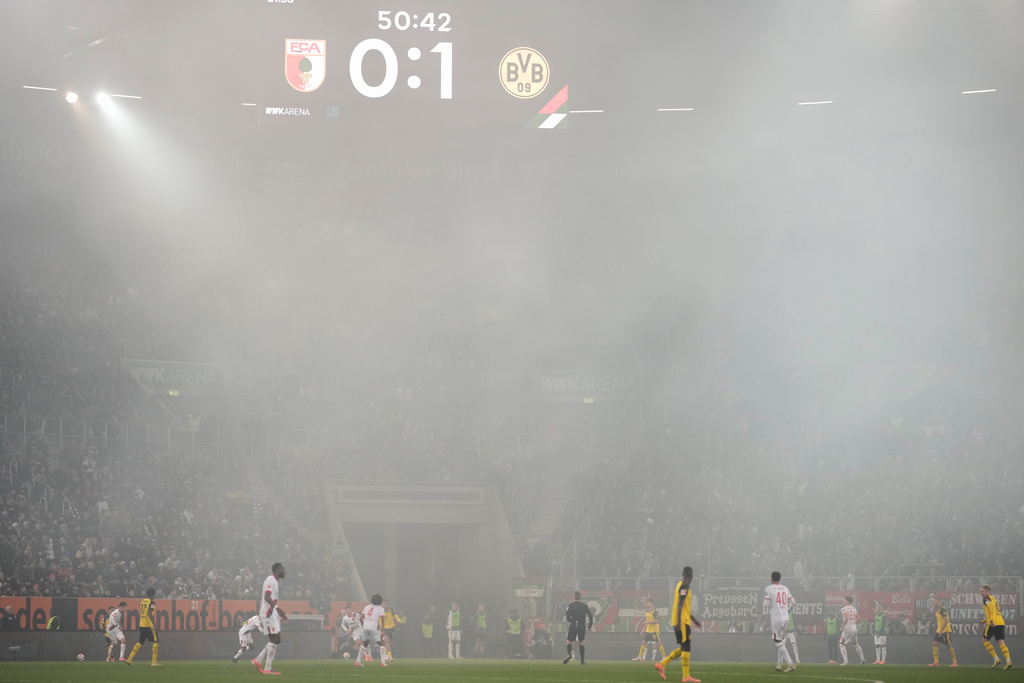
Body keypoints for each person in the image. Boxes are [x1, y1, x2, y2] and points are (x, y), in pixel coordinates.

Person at [655, 566, 702, 683]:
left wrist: (694, 619)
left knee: (684, 647)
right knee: (686, 646)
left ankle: (662, 664)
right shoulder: (684, 586)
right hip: (682, 622)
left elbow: (684, 606)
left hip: (681, 620)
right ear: (690, 576)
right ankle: (685, 676)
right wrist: (680, 623)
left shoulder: (680, 585)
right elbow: (680, 605)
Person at [252, 562, 288, 675]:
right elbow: (267, 596)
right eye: (283, 569)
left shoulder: (275, 582)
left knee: (277, 639)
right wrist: (277, 608)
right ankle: (267, 668)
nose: (284, 571)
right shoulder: (270, 580)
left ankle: (258, 660)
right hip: (267, 614)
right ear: (277, 570)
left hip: (272, 614)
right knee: (274, 640)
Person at [764, 571, 796, 672]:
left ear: (771, 578)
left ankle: (790, 664)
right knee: (781, 641)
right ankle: (779, 664)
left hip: (776, 618)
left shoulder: (769, 588)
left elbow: (765, 604)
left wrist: (771, 607)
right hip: (785, 618)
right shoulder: (785, 588)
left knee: (777, 641)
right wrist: (787, 609)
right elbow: (793, 602)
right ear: (780, 579)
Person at [979, 584, 1012, 669]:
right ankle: (1008, 661)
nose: (981, 593)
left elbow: (991, 608)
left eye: (982, 591)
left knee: (984, 641)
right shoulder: (994, 599)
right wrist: (984, 620)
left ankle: (996, 659)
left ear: (987, 591)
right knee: (1001, 643)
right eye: (980, 591)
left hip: (992, 623)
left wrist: (991, 621)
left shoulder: (986, 599)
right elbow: (994, 612)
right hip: (1000, 622)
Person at [127, 587, 160, 666]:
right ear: (153, 595)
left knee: (140, 642)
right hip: (148, 624)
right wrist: (154, 624)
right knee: (156, 640)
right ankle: (154, 662)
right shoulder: (152, 602)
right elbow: (149, 614)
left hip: (142, 624)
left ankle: (129, 659)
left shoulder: (143, 601)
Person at [356, 594, 387, 667]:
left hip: (366, 627)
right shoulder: (380, 608)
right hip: (373, 627)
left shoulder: (367, 607)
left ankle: (357, 662)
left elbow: (361, 618)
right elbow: (382, 619)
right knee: (382, 644)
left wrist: (364, 626)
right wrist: (383, 630)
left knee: (364, 644)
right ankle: (383, 662)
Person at [563, 590, 593, 665]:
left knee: (569, 641)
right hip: (581, 625)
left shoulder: (571, 605)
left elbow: (567, 616)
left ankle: (569, 654)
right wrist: (589, 626)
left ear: (574, 597)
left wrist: (571, 621)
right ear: (580, 597)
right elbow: (590, 616)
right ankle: (582, 661)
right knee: (581, 642)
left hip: (573, 625)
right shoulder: (584, 606)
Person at [928, 596, 957, 667]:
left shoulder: (942, 609)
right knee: (934, 643)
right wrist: (939, 629)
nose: (933, 603)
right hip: (939, 630)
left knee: (948, 645)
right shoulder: (936, 610)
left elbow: (946, 620)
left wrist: (941, 630)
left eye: (934, 601)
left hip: (945, 630)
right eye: (933, 601)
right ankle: (936, 662)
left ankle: (955, 662)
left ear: (938, 602)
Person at [839, 595, 866, 665]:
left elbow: (846, 619)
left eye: (844, 599)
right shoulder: (854, 608)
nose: (843, 601)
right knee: (856, 644)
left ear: (846, 601)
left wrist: (842, 626)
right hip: (854, 629)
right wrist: (853, 621)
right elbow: (859, 618)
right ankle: (862, 659)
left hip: (848, 629)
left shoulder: (843, 609)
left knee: (841, 644)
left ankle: (846, 661)